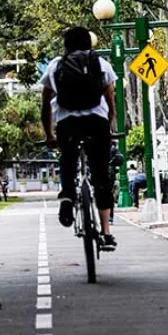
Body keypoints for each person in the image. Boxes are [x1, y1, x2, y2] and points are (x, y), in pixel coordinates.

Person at [40, 26, 118, 250]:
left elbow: (45, 103)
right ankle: (105, 233)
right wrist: (110, 124)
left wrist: (49, 134)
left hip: (68, 124)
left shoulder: (55, 65)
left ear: (66, 46)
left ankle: (67, 195)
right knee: (101, 175)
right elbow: (110, 97)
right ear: (89, 44)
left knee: (68, 159)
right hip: (97, 122)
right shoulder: (100, 63)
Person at [108, 141, 123, 225]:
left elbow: (119, 158)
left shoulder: (112, 148)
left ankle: (109, 217)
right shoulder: (113, 148)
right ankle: (109, 217)